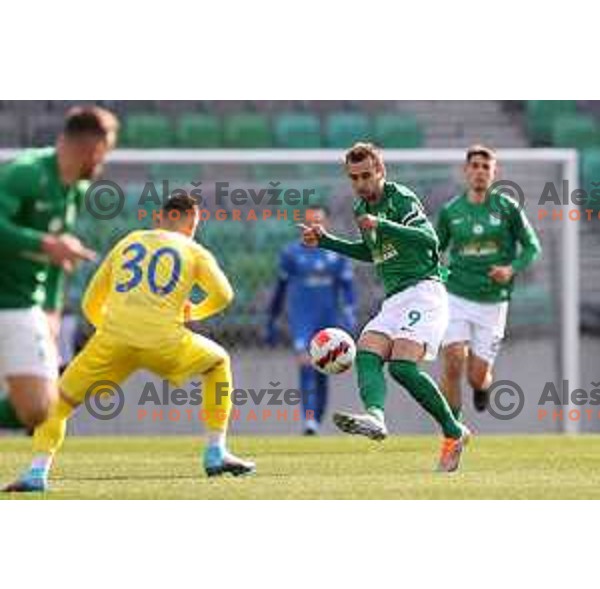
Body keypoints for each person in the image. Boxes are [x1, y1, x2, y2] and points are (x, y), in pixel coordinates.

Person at [3, 192, 255, 492]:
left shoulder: (128, 242)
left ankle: (36, 472)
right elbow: (224, 295)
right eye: (194, 224)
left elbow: (90, 301)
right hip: (166, 342)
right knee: (218, 362)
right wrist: (194, 311)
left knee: (59, 403)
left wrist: (113, 329)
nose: (193, 230)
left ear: (159, 218)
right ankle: (215, 451)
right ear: (190, 224)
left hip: (112, 341)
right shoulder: (193, 250)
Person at [300, 142, 470, 472]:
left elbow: (428, 240)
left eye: (366, 175)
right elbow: (371, 252)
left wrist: (383, 225)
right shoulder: (361, 207)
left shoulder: (400, 198)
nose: (361, 183)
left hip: (425, 290)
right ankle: (376, 418)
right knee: (367, 349)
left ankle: (453, 432)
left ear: (381, 171)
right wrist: (326, 241)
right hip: (394, 299)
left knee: (402, 367)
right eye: (354, 178)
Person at [0, 106, 118, 432]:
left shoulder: (75, 190)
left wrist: (51, 312)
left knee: (38, 409)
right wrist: (46, 244)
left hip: (22, 304)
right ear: (89, 148)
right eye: (102, 153)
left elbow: (58, 260)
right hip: (7, 300)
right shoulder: (26, 173)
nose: (102, 163)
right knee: (38, 408)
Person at [436, 145, 541, 416]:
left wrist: (511, 268)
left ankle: (482, 386)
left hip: (493, 302)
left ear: (494, 173)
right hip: (456, 296)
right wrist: (439, 277)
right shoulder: (450, 211)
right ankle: (453, 431)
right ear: (465, 171)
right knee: (452, 360)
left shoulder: (508, 208)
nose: (480, 171)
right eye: (475, 166)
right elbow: (435, 251)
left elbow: (532, 247)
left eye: (486, 167)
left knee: (476, 377)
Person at [265, 206, 356, 435]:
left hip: (328, 321)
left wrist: (349, 314)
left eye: (318, 222)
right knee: (306, 365)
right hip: (302, 319)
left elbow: (347, 291)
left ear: (325, 225)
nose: (313, 227)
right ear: (302, 226)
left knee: (324, 371)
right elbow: (280, 289)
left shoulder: (336, 256)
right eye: (310, 222)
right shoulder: (291, 254)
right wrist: (272, 318)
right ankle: (309, 421)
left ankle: (315, 419)